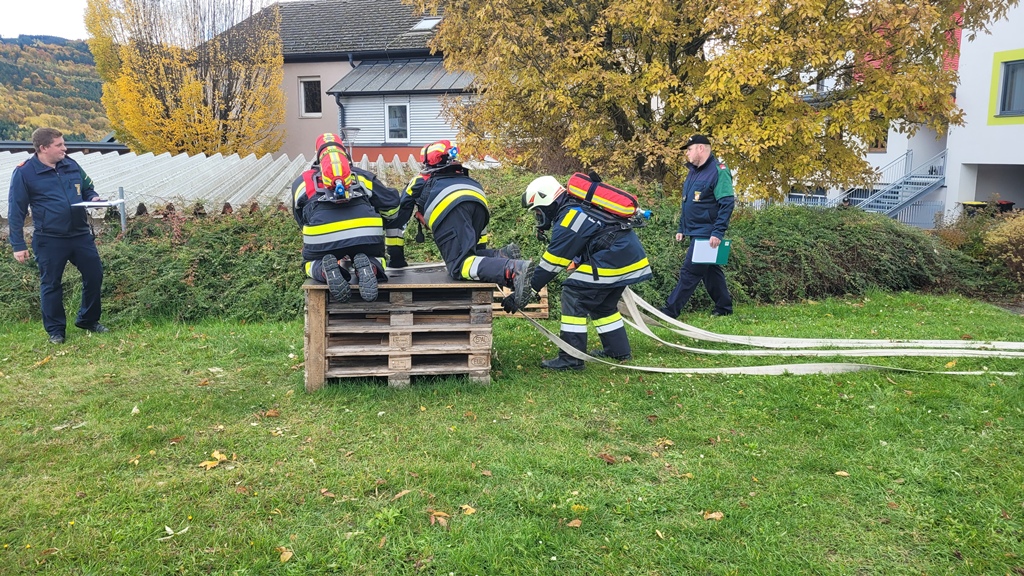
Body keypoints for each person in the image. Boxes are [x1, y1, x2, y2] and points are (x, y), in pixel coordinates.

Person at [522, 175, 653, 371]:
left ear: (547, 202)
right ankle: (618, 351)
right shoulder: (576, 208)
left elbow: (552, 263)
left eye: (538, 211)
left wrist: (528, 289)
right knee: (603, 305)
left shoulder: (570, 217)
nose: (539, 217)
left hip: (615, 258)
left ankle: (571, 358)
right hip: (626, 256)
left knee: (573, 294)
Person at [393, 140, 534, 310]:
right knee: (470, 258)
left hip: (453, 211)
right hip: (479, 203)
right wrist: (485, 260)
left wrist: (396, 260)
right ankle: (501, 255)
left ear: (427, 163)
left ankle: (512, 270)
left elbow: (398, 218)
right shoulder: (467, 180)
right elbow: (478, 235)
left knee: (459, 266)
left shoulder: (419, 181)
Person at [8, 127, 109, 344]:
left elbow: (87, 187)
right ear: (43, 148)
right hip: (49, 238)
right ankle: (56, 331)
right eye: (59, 145)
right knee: (51, 283)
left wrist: (94, 198)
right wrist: (18, 244)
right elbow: (16, 210)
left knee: (94, 275)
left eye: (64, 143)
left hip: (80, 234)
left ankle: (88, 320)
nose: (65, 148)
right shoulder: (24, 172)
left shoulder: (71, 164)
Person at [292, 133, 400, 303]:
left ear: (318, 155)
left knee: (309, 263)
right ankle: (371, 266)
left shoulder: (302, 182)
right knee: (377, 257)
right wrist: (383, 219)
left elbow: (300, 218)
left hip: (322, 235)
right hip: (364, 234)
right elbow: (392, 205)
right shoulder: (361, 175)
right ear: (344, 152)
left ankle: (324, 270)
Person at [661, 134, 735, 318]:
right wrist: (682, 228)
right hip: (695, 230)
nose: (687, 153)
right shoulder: (693, 172)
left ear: (701, 148)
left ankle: (669, 311)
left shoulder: (719, 171)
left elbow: (727, 203)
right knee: (710, 271)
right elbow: (688, 202)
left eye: (689, 149)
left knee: (690, 272)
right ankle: (724, 307)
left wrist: (717, 232)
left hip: (708, 232)